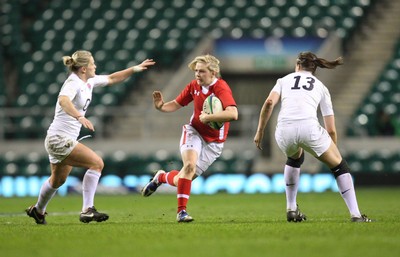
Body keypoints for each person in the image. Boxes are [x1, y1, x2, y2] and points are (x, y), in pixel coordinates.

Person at [26, 50, 155, 224]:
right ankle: (87, 210)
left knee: (58, 180)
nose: (96, 66)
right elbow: (64, 100)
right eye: (93, 63)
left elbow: (112, 78)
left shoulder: (88, 81)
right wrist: (80, 117)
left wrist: (134, 69)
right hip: (59, 138)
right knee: (97, 163)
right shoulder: (73, 82)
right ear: (84, 68)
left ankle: (38, 211)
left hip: (58, 138)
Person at [254, 51, 372, 222]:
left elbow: (269, 103)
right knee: (339, 166)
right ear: (315, 68)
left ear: (297, 65)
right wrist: (331, 150)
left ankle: (291, 208)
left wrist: (260, 131)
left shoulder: (283, 80)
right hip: (309, 128)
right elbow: (330, 128)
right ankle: (356, 215)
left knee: (294, 158)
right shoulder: (321, 87)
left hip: (284, 130)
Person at [141, 54, 238, 222]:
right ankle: (181, 212)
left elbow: (233, 113)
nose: (197, 75)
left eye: (201, 71)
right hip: (194, 132)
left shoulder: (221, 88)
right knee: (189, 166)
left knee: (182, 179)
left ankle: (161, 177)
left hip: (214, 143)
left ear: (213, 72)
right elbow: (176, 104)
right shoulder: (194, 85)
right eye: (196, 71)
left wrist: (209, 118)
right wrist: (161, 107)